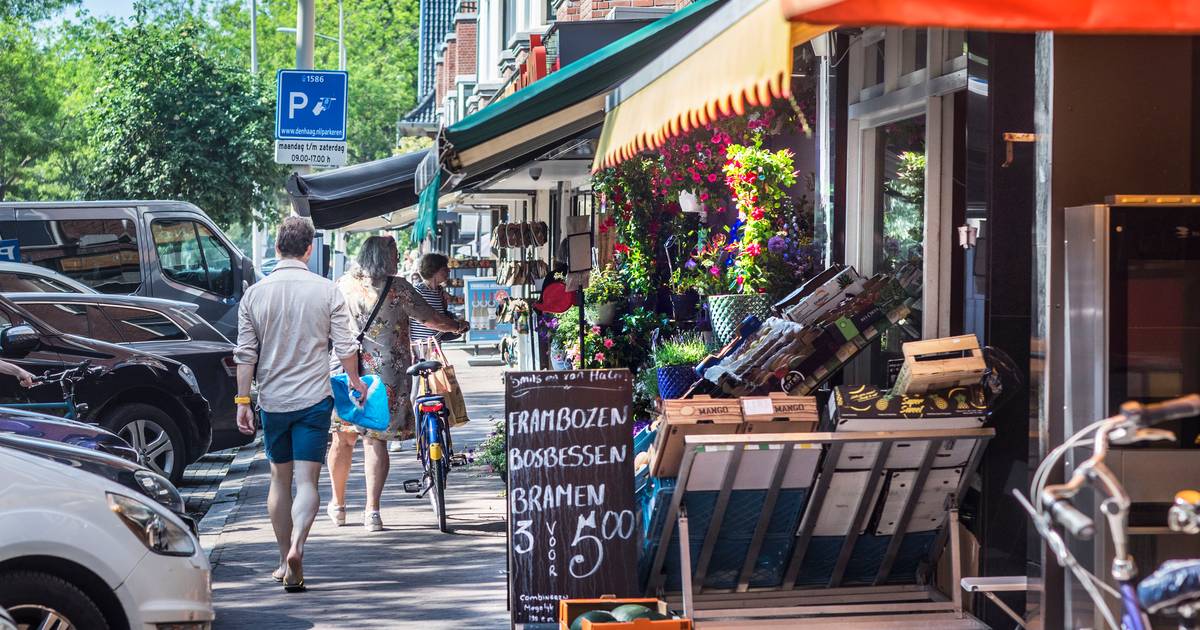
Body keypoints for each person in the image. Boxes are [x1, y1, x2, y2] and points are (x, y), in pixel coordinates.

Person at [233, 216, 366, 593]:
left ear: (277, 248)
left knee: (279, 479)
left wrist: (243, 401)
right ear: (309, 250)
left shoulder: (254, 295)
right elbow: (346, 347)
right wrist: (356, 382)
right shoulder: (327, 291)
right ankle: (298, 548)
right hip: (314, 400)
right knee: (308, 481)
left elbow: (245, 354)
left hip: (273, 400)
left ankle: (282, 560)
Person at [327, 236, 467, 532]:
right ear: (383, 257)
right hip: (385, 375)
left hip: (348, 369)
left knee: (343, 437)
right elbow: (431, 320)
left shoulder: (342, 285)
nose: (398, 258)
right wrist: (456, 326)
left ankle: (338, 506)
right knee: (375, 440)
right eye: (394, 254)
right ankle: (372, 512)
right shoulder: (399, 288)